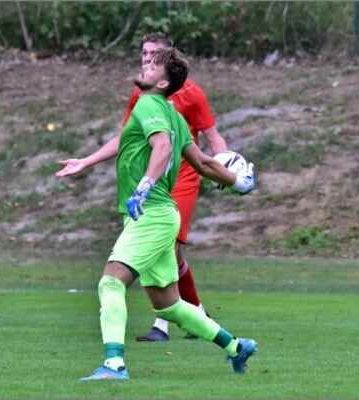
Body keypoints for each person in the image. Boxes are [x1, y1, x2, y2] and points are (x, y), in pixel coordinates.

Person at [56, 47, 257, 380]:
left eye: (153, 65)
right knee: (169, 306)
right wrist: (239, 182)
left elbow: (162, 148)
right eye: (146, 61)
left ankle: (114, 365)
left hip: (150, 213)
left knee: (110, 283)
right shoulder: (171, 114)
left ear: (163, 82)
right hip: (163, 215)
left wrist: (144, 185)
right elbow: (204, 163)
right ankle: (236, 346)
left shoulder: (149, 104)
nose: (145, 65)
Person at [124, 33, 229, 342]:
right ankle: (198, 314)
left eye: (154, 54)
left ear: (168, 59)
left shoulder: (192, 94)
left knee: (164, 248)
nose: (147, 59)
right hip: (154, 181)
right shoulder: (140, 94)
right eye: (144, 53)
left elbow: (212, 137)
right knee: (175, 257)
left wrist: (226, 168)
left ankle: (162, 325)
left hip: (182, 180)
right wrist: (88, 161)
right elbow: (126, 136)